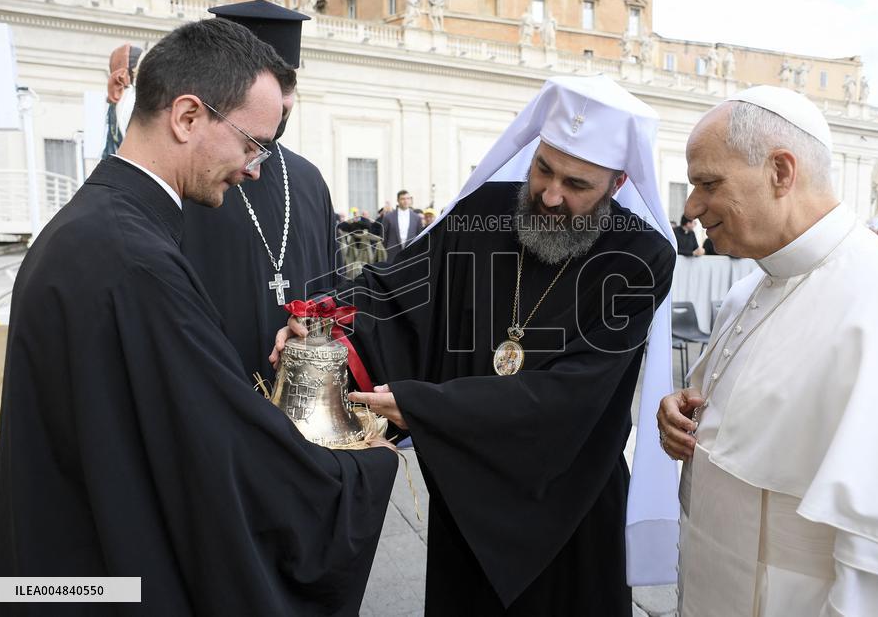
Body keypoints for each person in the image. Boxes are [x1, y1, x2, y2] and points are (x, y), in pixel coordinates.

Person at [0, 18, 396, 615]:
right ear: (186, 117)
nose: (255, 168)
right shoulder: (138, 262)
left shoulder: (88, 228)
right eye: (251, 144)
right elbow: (218, 453)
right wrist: (363, 471)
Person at [275, 75, 679, 615]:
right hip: (469, 494)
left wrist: (428, 408)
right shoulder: (484, 211)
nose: (550, 195)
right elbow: (395, 293)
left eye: (577, 184)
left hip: (570, 503)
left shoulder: (642, 255)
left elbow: (577, 392)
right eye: (543, 169)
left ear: (617, 181)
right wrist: (325, 322)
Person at [656, 86, 878, 616]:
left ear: (781, 171)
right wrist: (687, 415)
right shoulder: (747, 291)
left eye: (709, 184)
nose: (691, 207)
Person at [182, 0, 339, 389]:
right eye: (267, 85)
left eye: (288, 85)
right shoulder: (190, 180)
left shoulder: (309, 180)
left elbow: (331, 287)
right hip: (213, 392)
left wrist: (312, 321)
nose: (281, 103)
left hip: (302, 399)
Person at [380, 189, 423, 259]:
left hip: (411, 253)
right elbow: (383, 236)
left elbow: (419, 235)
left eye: (408, 198)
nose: (406, 201)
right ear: (398, 200)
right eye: (403, 199)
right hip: (392, 254)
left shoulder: (417, 218)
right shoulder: (388, 217)